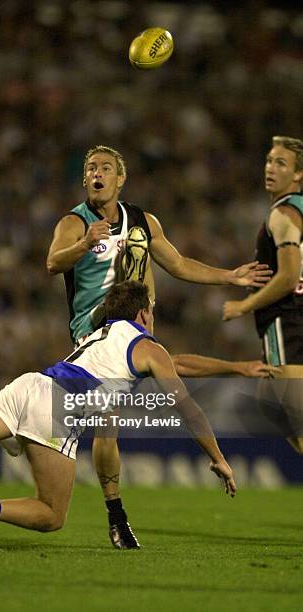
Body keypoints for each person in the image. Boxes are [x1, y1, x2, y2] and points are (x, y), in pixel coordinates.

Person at [46, 144, 271, 547]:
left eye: (106, 168)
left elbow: (180, 264)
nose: (97, 172)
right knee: (108, 422)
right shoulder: (74, 222)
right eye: (91, 168)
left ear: (120, 178)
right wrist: (84, 244)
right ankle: (116, 515)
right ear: (85, 179)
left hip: (134, 324)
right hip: (94, 328)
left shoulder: (144, 221)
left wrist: (230, 277)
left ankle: (33, 429)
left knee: (132, 396)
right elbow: (52, 263)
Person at [0, 281, 236, 543]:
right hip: (57, 406)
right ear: (143, 313)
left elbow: (174, 363)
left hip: (31, 384)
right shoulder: (149, 347)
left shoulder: (98, 335)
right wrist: (218, 457)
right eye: (151, 312)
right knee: (50, 514)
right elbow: (188, 410)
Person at [223, 135, 303, 452]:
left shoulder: (282, 215)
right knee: (268, 400)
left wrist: (244, 306)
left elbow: (288, 276)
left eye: (281, 163)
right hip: (292, 322)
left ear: (298, 175)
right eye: (269, 160)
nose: (270, 168)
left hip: (288, 323)